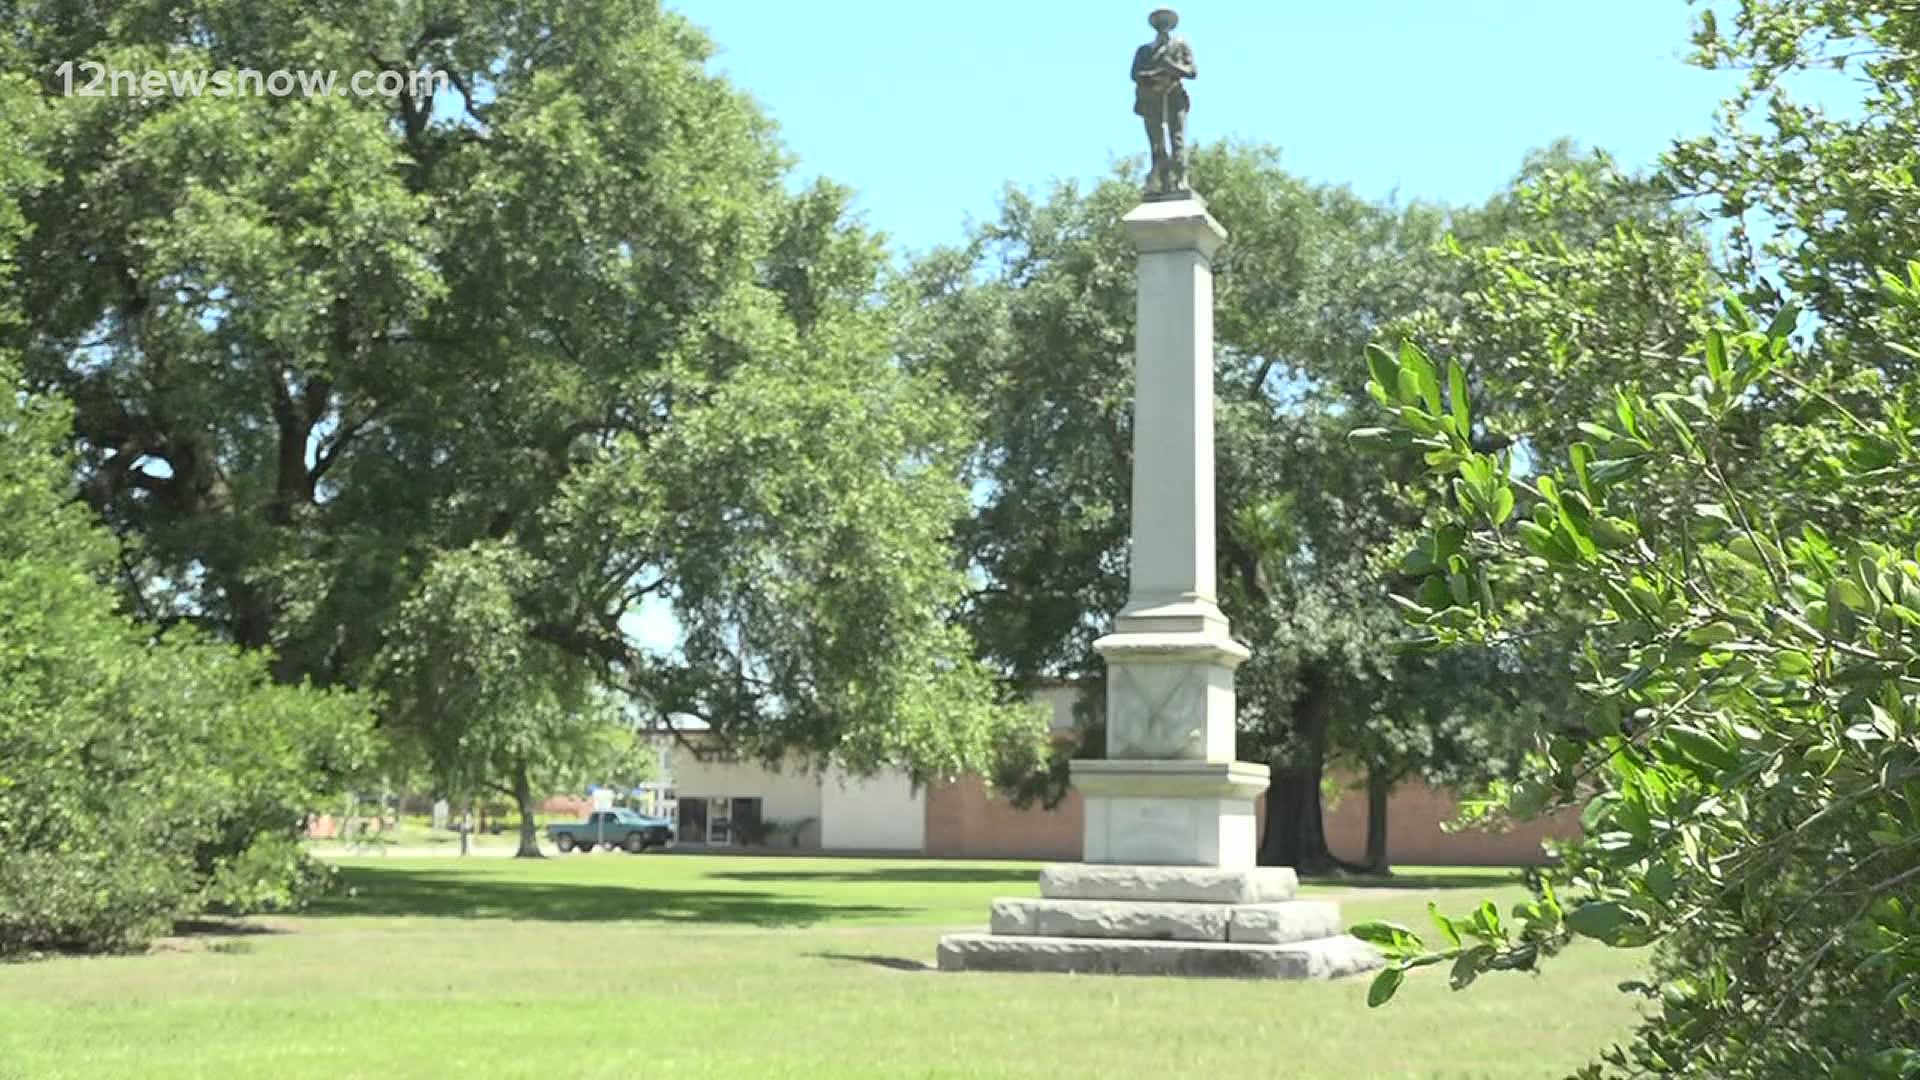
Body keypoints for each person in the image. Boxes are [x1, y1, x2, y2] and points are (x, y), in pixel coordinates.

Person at [1131, 8, 1197, 196]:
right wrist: (1153, 75)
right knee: (1156, 142)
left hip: (1174, 96)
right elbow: (1135, 74)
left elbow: (1192, 72)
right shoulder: (1144, 50)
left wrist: (1171, 67)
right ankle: (1162, 180)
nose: (1162, 25)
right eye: (1159, 21)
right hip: (1151, 100)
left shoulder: (1180, 44)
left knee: (1177, 138)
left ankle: (1181, 178)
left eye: (1166, 21)